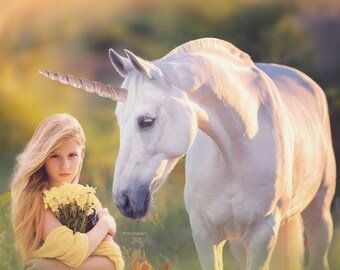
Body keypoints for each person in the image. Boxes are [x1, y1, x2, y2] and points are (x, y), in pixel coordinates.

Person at [10, 113, 124, 270]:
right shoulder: (35, 199)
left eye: (72, 155)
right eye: (55, 156)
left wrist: (56, 266)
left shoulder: (87, 199)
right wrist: (105, 224)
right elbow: (73, 251)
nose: (65, 166)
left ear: (82, 153)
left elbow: (113, 262)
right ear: (42, 157)